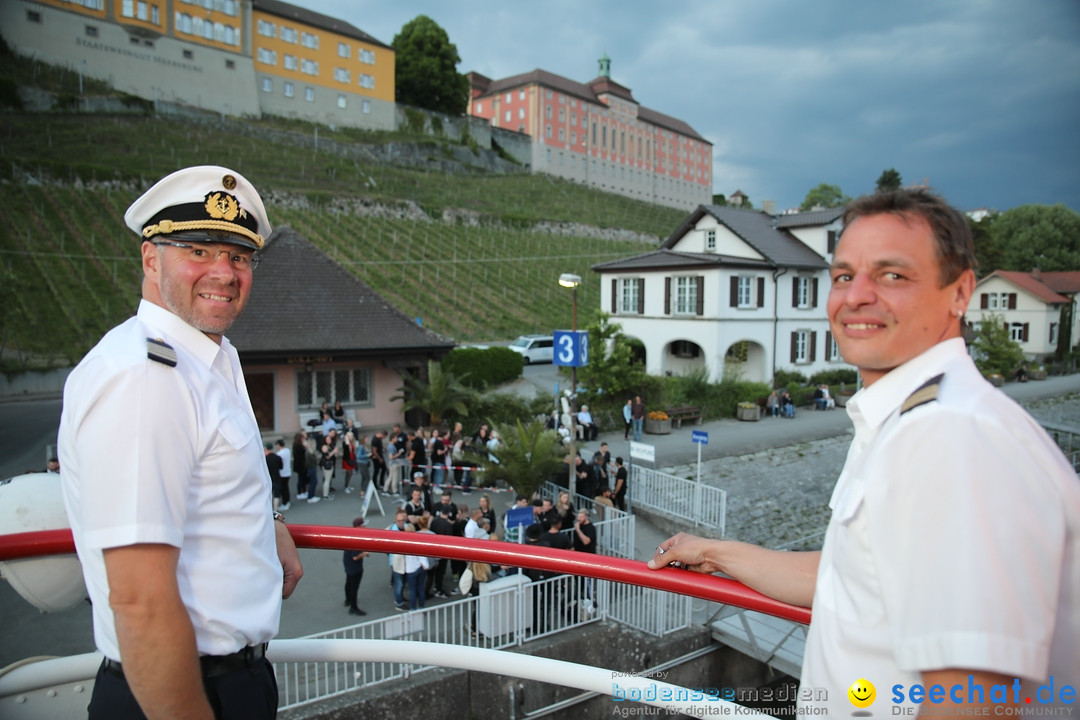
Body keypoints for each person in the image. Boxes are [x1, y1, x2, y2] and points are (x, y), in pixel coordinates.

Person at [648, 189, 1080, 715]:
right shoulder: (913, 418)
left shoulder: (948, 436)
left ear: (960, 292)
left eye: (892, 275)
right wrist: (714, 552)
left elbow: (974, 696)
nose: (856, 296)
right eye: (844, 276)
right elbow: (853, 573)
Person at [57, 165, 303, 720]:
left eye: (239, 257)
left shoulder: (209, 356)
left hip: (232, 679)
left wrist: (270, 523)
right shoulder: (144, 378)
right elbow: (139, 602)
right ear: (151, 258)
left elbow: (208, 478)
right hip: (177, 692)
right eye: (198, 250)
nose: (223, 272)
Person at [343, 517, 369, 616]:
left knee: (348, 582)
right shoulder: (357, 538)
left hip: (347, 563)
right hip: (355, 567)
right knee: (354, 587)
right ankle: (353, 607)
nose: (365, 527)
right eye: (363, 525)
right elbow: (355, 557)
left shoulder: (350, 534)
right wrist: (365, 553)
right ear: (359, 526)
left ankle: (348, 599)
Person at [264, 442, 285, 511]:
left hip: (268, 478)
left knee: (268, 494)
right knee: (276, 494)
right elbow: (281, 467)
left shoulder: (265, 459)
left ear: (266, 448)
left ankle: (268, 508)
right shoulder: (277, 457)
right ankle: (275, 509)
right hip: (277, 477)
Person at [274, 439, 292, 510]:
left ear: (279, 445)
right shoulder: (287, 450)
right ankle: (287, 502)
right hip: (288, 472)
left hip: (282, 473)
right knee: (286, 488)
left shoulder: (279, 454)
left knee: (283, 489)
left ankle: (285, 503)